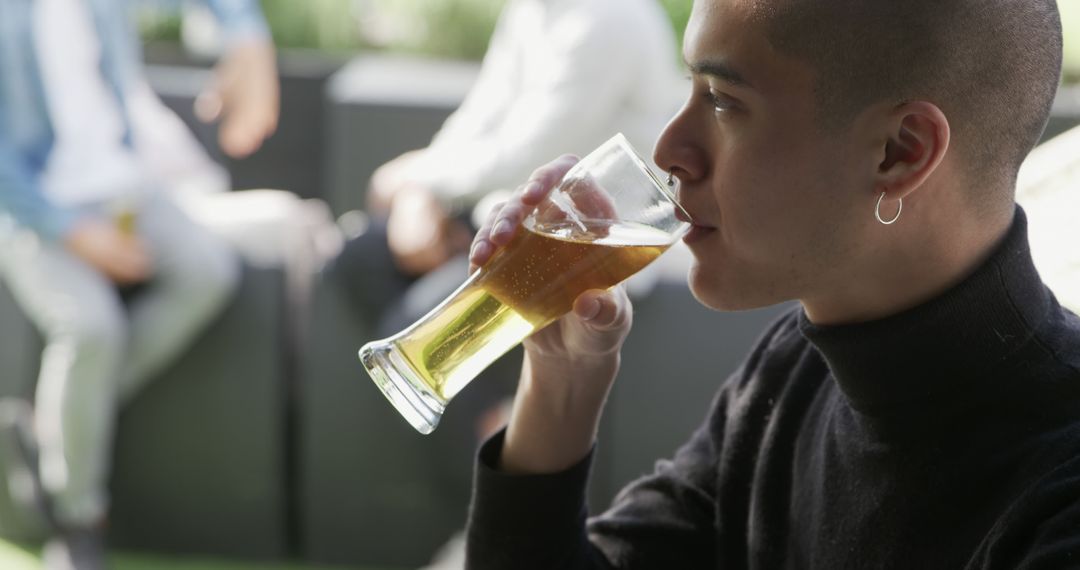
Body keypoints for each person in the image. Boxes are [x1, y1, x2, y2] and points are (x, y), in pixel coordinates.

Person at [462, 0, 1080, 568]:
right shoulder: (790, 375)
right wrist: (562, 380)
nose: (670, 148)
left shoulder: (1058, 496)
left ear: (901, 151)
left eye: (724, 101)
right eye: (691, 88)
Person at [0, 0, 279, 567]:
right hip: (32, 208)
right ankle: (77, 516)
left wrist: (248, 37)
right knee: (90, 328)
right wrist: (74, 231)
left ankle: (62, 423)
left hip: (124, 184)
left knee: (207, 271)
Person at [335, 0, 682, 335]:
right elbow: (479, 115)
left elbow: (532, 155)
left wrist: (416, 181)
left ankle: (496, 397)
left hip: (590, 244)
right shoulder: (529, 9)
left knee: (415, 324)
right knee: (360, 256)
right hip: (510, 220)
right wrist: (422, 193)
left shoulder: (614, 15)